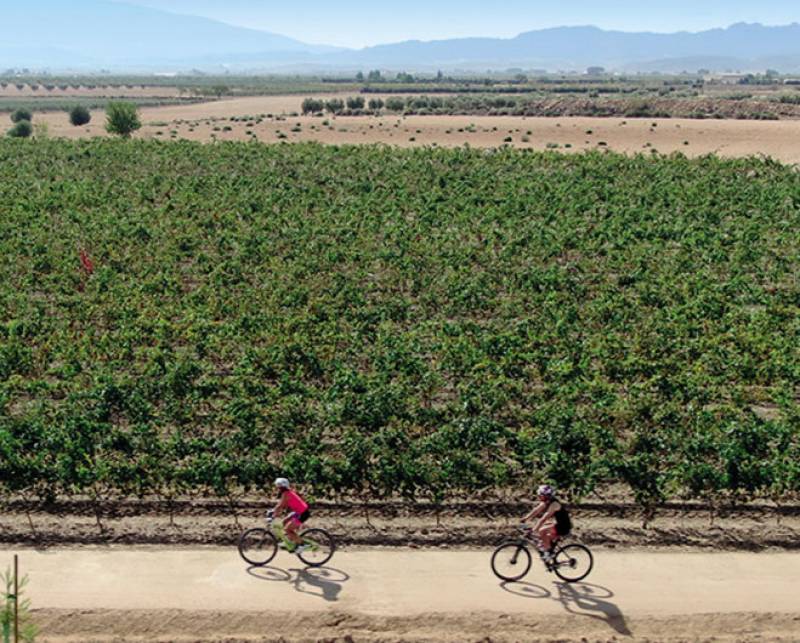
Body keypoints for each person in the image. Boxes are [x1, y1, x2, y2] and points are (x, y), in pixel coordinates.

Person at [521, 484, 572, 560]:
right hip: (558, 524)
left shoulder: (554, 504)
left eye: (541, 495)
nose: (539, 497)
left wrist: (533, 530)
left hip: (563, 526)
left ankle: (548, 554)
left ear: (547, 496)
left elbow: (544, 518)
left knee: (542, 530)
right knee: (543, 530)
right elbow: (536, 510)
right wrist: (526, 518)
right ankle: (547, 546)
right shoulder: (547, 501)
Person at [270, 478, 310, 552]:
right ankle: (290, 542)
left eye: (278, 486)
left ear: (282, 486)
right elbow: (282, 505)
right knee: (284, 522)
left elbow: (280, 505)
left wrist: (273, 514)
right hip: (299, 512)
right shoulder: (286, 493)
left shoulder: (286, 494)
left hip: (303, 513)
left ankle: (303, 545)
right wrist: (275, 512)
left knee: (288, 529)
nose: (277, 488)